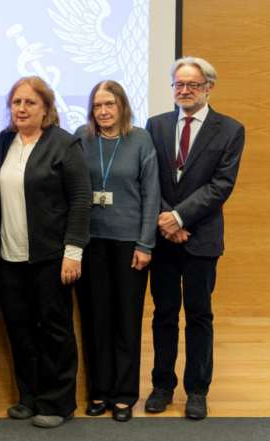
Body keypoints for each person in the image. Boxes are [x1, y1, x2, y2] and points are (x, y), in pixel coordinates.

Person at [145, 57, 244, 419]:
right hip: (163, 238)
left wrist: (179, 217)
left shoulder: (230, 129)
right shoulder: (155, 125)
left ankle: (197, 391)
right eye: (178, 84)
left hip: (201, 238)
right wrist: (167, 219)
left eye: (192, 84)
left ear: (209, 88)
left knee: (199, 315)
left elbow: (221, 186)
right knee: (164, 314)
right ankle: (162, 386)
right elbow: (149, 179)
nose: (184, 90)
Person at [0, 76, 91, 429]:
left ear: (47, 108)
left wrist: (73, 252)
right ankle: (29, 397)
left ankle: (58, 403)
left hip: (51, 256)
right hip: (9, 257)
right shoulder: (4, 142)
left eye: (30, 102)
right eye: (16, 102)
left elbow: (80, 201)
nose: (21, 109)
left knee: (55, 331)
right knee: (20, 330)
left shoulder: (64, 144)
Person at [74, 81, 160, 422]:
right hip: (90, 242)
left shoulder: (140, 140)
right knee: (95, 319)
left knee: (126, 320)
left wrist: (145, 244)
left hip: (129, 244)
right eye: (97, 105)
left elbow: (151, 195)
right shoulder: (81, 138)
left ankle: (124, 395)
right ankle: (99, 391)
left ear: (122, 105)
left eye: (109, 104)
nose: (103, 111)